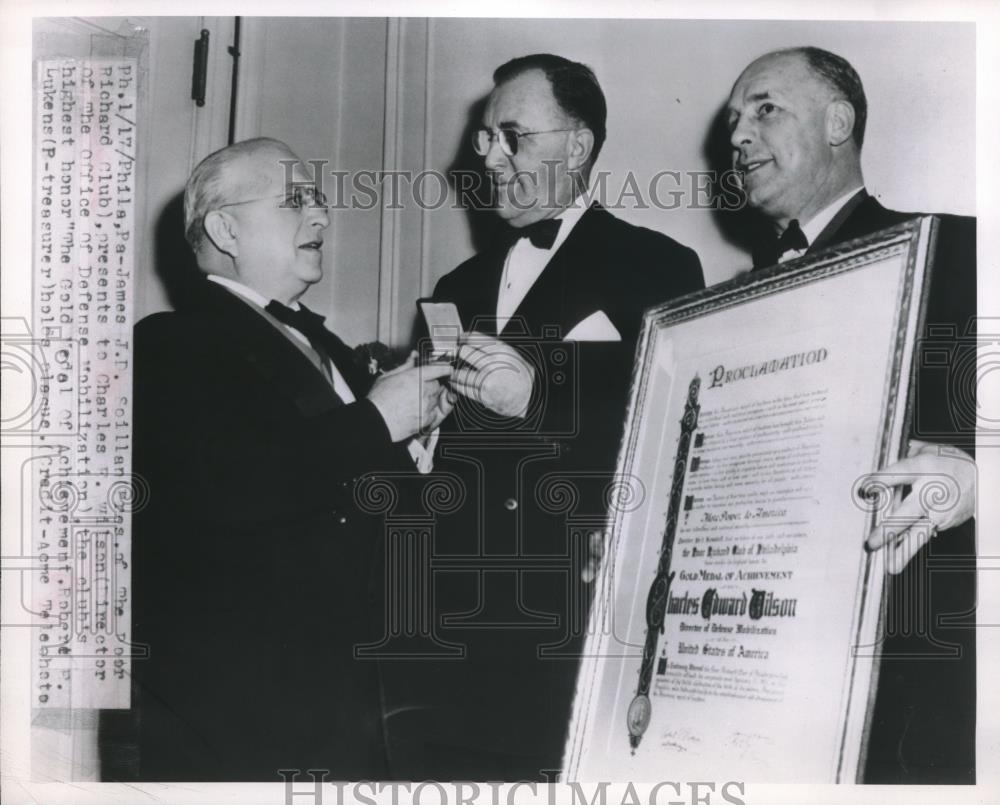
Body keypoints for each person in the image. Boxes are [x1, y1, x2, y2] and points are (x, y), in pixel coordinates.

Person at [380, 54, 704, 780]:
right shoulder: (454, 286)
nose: (488, 155)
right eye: (485, 138)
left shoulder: (657, 265)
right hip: (449, 627)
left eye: (511, 136)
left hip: (569, 623)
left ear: (577, 145)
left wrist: (540, 397)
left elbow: (660, 426)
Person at [128, 137, 453, 780]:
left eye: (319, 200)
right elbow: (231, 486)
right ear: (225, 228)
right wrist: (379, 419)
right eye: (295, 200)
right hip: (248, 714)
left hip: (361, 696)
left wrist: (416, 439)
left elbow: (343, 484)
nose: (323, 216)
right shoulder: (171, 343)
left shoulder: (326, 341)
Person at [726, 46, 976, 783]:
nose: (738, 135)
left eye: (764, 108)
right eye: (734, 119)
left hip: (914, 700)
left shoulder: (960, 248)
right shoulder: (725, 306)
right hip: (762, 691)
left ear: (840, 122)